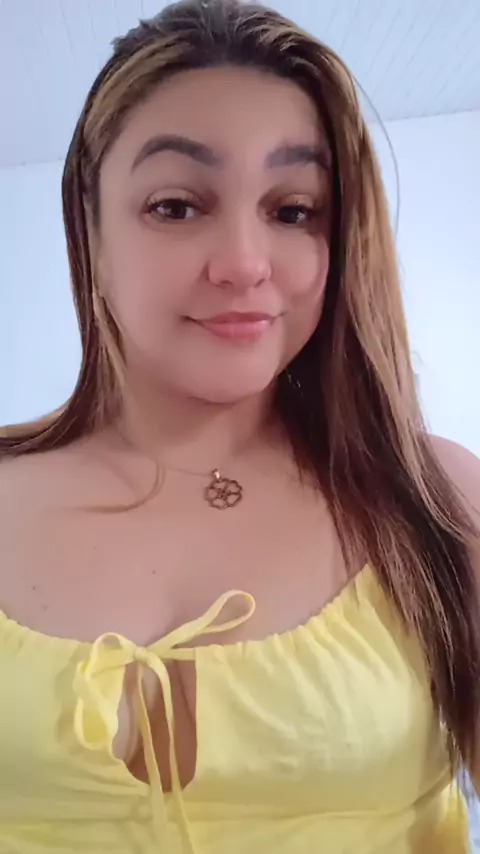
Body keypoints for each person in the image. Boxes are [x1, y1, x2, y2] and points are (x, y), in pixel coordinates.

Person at [0, 0, 479, 851]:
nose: (245, 264)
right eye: (177, 206)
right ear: (91, 227)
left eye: (293, 210)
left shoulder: (436, 498)